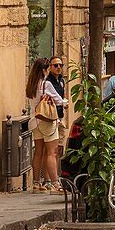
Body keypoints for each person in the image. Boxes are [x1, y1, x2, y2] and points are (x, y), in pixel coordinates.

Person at [25, 57, 67, 192]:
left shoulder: (31, 84)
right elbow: (60, 101)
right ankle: (55, 184)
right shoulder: (45, 84)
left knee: (38, 152)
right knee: (51, 153)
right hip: (47, 121)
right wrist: (65, 103)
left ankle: (37, 183)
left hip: (34, 121)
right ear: (44, 69)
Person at [45, 56, 67, 185]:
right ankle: (48, 179)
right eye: (56, 65)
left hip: (60, 117)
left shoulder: (61, 81)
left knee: (59, 149)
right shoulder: (48, 82)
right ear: (50, 67)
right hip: (51, 118)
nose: (59, 68)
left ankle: (56, 174)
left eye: (60, 65)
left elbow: (63, 97)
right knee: (50, 151)